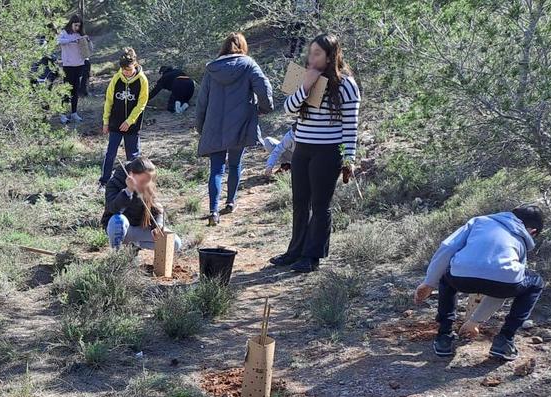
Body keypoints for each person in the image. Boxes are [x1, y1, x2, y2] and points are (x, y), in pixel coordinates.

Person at [268, 33, 361, 273]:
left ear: (331, 56)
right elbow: (289, 109)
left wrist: (348, 158)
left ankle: (312, 256)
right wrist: (306, 84)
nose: (312, 57)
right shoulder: (301, 75)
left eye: (317, 53)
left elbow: (350, 127)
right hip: (303, 148)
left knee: (320, 205)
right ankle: (295, 251)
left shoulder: (346, 85)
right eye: (310, 52)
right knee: (300, 202)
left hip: (328, 152)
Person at [414, 205, 545, 362]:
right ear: (533, 231)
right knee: (535, 282)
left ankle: (444, 336)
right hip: (503, 283)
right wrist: (475, 321)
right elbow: (502, 284)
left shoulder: (479, 221)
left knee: (445, 277)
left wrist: (429, 283)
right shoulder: (521, 240)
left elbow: (448, 247)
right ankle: (505, 339)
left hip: (461, 278)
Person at [195, 32, 273, 226]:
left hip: (214, 125)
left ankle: (213, 211)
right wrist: (265, 108)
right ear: (243, 47)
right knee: (235, 164)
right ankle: (230, 202)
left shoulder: (212, 69)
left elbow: (202, 101)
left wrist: (201, 126)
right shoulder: (249, 65)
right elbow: (263, 87)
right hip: (240, 123)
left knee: (216, 169)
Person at [101, 157, 182, 253]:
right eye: (143, 181)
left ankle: (135, 245)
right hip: (119, 228)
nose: (146, 184)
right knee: (118, 220)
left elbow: (157, 208)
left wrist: (158, 224)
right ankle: (116, 254)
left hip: (139, 228)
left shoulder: (147, 183)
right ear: (132, 175)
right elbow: (114, 209)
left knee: (175, 243)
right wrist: (128, 191)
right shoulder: (114, 183)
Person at [100, 48, 150, 186]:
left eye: (129, 70)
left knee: (133, 156)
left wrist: (129, 121)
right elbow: (109, 101)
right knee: (110, 153)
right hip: (115, 122)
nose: (126, 73)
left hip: (132, 125)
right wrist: (106, 122)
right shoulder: (116, 79)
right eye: (124, 70)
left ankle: (135, 184)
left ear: (135, 64)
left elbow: (142, 103)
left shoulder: (142, 80)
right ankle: (104, 182)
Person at [56, 15, 90, 124]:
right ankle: (62, 114)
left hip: (79, 65)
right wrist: (71, 40)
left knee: (75, 91)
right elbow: (58, 41)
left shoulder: (80, 34)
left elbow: (89, 49)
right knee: (66, 90)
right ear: (71, 24)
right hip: (68, 66)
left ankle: (74, 113)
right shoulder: (64, 33)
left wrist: (87, 41)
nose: (77, 28)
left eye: (79, 26)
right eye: (75, 25)